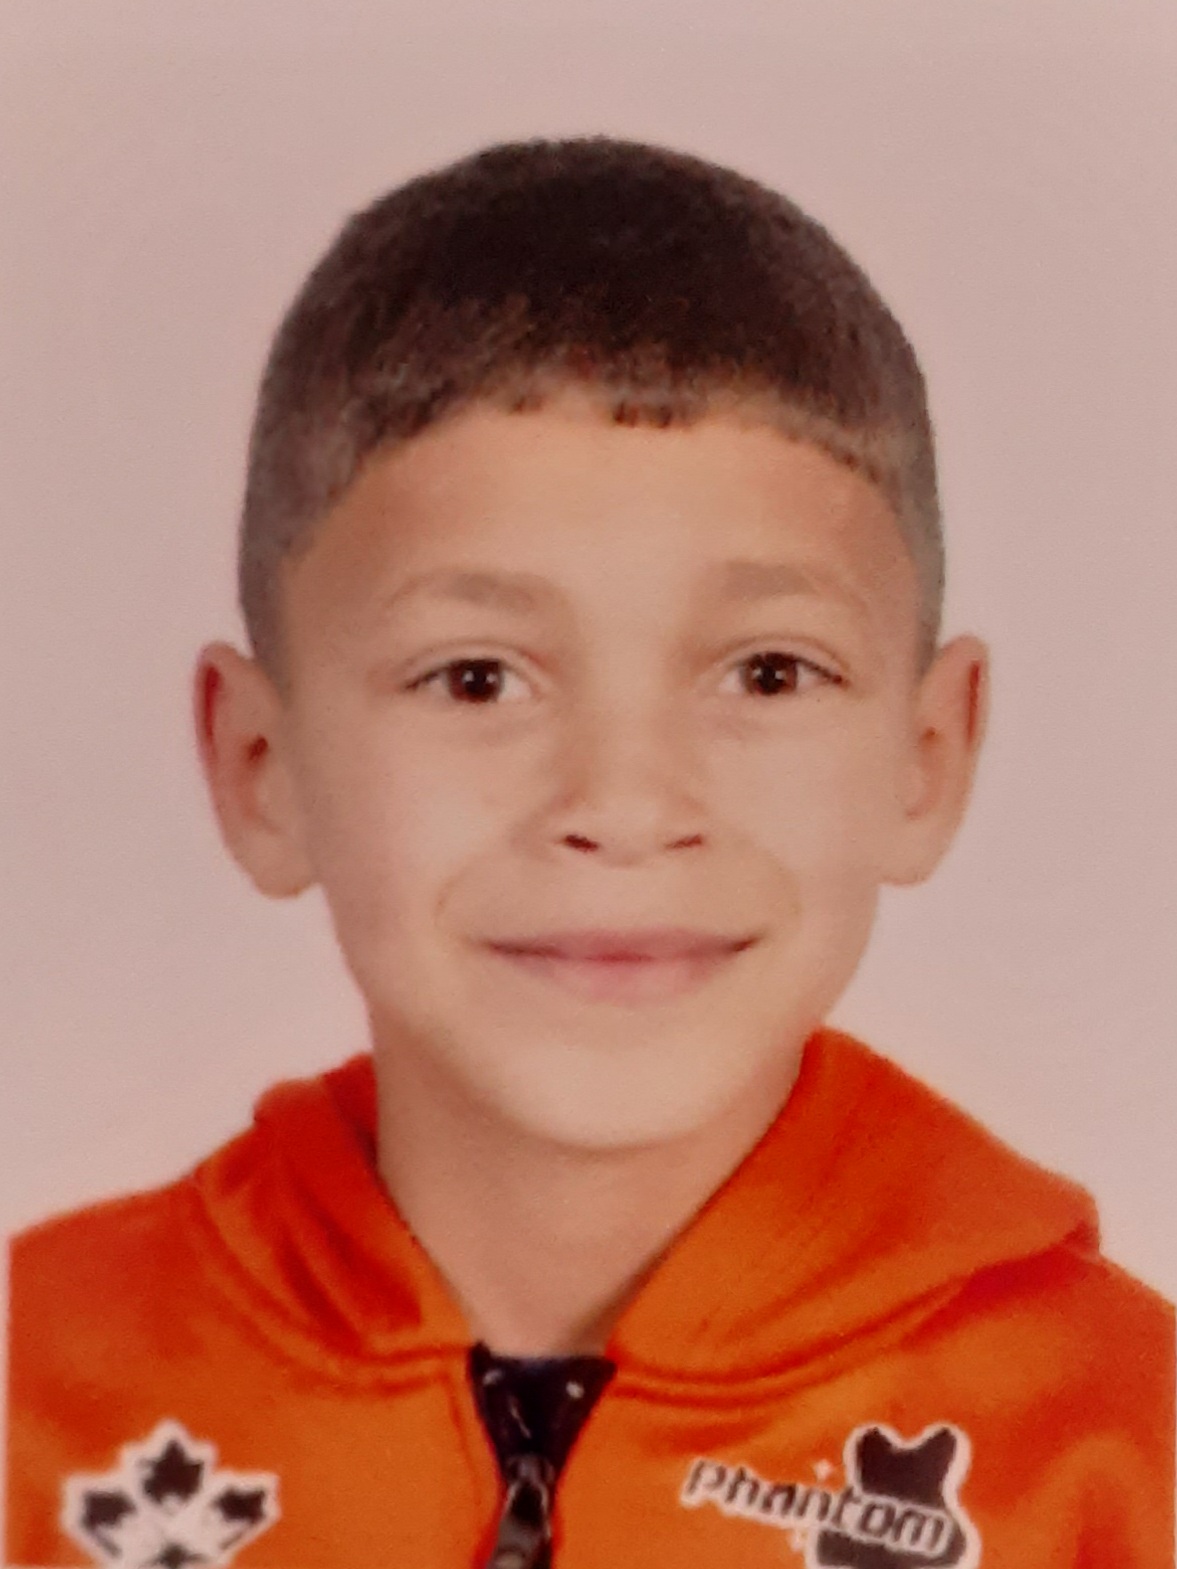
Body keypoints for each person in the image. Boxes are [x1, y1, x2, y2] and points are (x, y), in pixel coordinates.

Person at [6, 137, 1172, 1569]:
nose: (623, 805)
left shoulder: (1127, 1443)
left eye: (767, 672)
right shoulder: (38, 1391)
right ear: (262, 765)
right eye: (477, 677)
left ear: (926, 754)